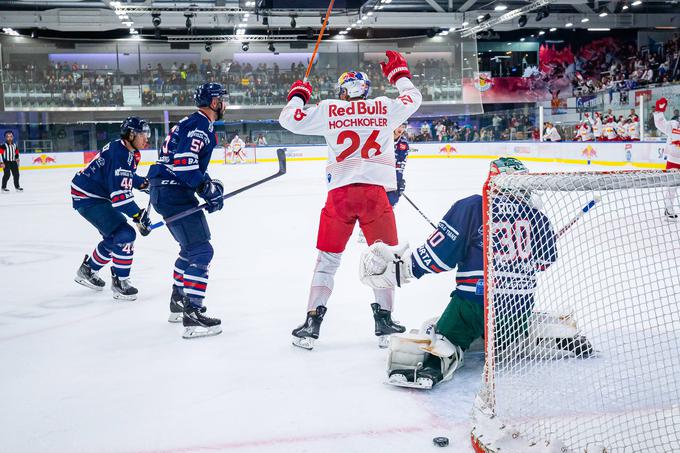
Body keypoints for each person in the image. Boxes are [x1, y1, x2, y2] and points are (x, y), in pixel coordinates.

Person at [358, 158, 586, 389]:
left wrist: (406, 269)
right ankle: (552, 334)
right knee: (506, 331)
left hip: (475, 303)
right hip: (519, 307)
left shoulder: (475, 206)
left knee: (438, 331)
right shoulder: (537, 216)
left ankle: (434, 367)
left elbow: (439, 256)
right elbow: (544, 262)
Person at [278, 51, 422, 350]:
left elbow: (288, 119)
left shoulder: (330, 110)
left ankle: (311, 323)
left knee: (327, 261)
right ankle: (384, 326)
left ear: (342, 91)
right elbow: (414, 98)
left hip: (340, 195)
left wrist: (298, 95)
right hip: (374, 195)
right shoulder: (382, 108)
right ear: (367, 90)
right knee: (384, 259)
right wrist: (399, 76)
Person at [148, 82, 227, 338]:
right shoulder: (201, 126)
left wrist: (206, 186)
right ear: (214, 102)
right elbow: (184, 163)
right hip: (174, 192)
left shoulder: (190, 122)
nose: (224, 104)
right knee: (202, 250)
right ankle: (192, 315)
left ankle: (177, 302)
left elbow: (183, 163)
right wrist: (206, 190)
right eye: (221, 99)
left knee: (188, 249)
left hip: (165, 191)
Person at [71, 117, 152, 300]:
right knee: (125, 234)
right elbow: (120, 199)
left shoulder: (124, 149)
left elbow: (126, 176)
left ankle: (88, 270)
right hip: (89, 197)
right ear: (131, 134)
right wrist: (138, 216)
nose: (146, 137)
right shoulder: (121, 154)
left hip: (91, 193)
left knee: (114, 236)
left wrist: (143, 183)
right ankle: (120, 282)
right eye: (143, 133)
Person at [653, 97, 680, 220]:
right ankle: (669, 210)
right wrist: (659, 111)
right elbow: (660, 124)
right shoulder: (674, 125)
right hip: (674, 161)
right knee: (672, 187)